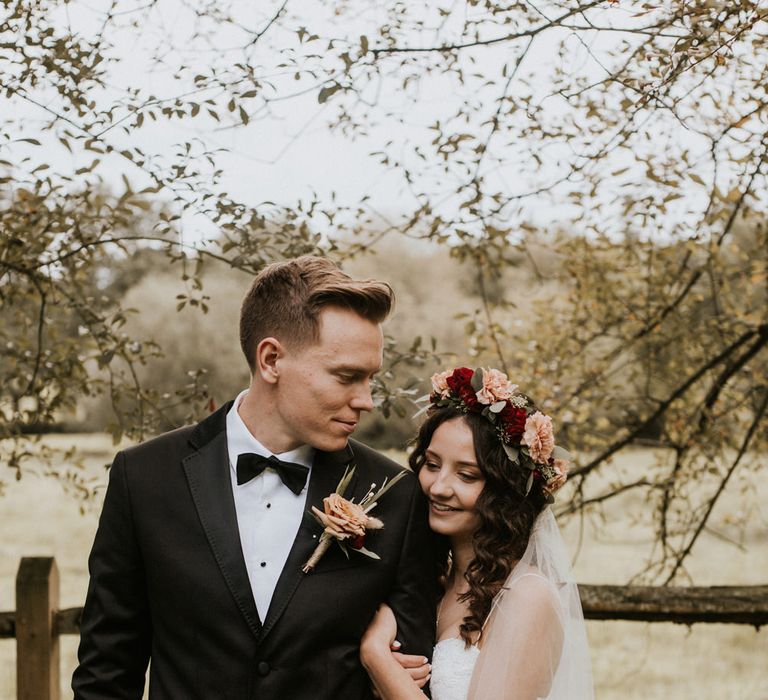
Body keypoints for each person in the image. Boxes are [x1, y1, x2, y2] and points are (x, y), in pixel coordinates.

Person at [72, 255, 438, 699]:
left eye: (371, 379)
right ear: (271, 360)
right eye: (347, 377)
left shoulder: (396, 495)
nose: (366, 400)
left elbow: (415, 670)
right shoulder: (144, 478)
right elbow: (107, 674)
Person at [361, 367, 594, 700]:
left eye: (467, 475)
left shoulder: (526, 596)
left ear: (505, 492)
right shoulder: (434, 582)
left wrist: (376, 657)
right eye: (431, 464)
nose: (439, 487)